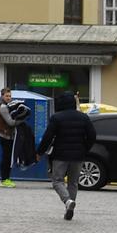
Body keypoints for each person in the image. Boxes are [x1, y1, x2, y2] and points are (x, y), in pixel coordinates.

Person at [36, 91, 96, 220]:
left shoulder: (56, 117)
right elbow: (92, 135)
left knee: (57, 181)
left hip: (60, 155)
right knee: (73, 182)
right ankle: (69, 206)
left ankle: (67, 201)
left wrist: (40, 152)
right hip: (78, 155)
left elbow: (48, 137)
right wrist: (85, 149)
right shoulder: (83, 117)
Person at [0, 88, 29, 188]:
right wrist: (22, 119)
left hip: (5, 134)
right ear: (2, 96)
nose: (9, 98)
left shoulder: (2, 105)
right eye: (6, 96)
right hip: (5, 135)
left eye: (10, 96)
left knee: (7, 157)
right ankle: (4, 179)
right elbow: (10, 122)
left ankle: (6, 179)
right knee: (7, 157)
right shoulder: (3, 107)